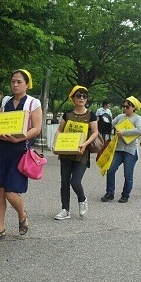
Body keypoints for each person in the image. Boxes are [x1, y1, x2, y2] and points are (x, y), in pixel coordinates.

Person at [0, 69, 42, 242]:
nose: (15, 85)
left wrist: (19, 139)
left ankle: (22, 214)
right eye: (13, 81)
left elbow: (37, 128)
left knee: (11, 192)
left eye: (19, 82)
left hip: (19, 150)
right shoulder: (6, 101)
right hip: (2, 149)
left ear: (27, 84)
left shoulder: (33, 103)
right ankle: (0, 229)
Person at [53, 86, 99, 220]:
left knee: (75, 181)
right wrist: (56, 141)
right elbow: (60, 130)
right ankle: (65, 210)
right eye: (79, 96)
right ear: (73, 98)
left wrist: (85, 144)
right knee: (65, 182)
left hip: (82, 153)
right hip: (66, 152)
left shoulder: (91, 114)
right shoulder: (67, 114)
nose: (82, 98)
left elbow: (95, 132)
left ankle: (82, 199)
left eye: (84, 96)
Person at [101, 96, 141, 203]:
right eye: (123, 106)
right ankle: (109, 193)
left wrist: (124, 132)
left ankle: (125, 195)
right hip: (118, 149)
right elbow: (110, 125)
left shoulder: (138, 118)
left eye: (127, 106)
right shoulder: (120, 116)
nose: (125, 108)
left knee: (128, 174)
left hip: (130, 150)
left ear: (134, 107)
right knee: (110, 170)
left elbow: (140, 131)